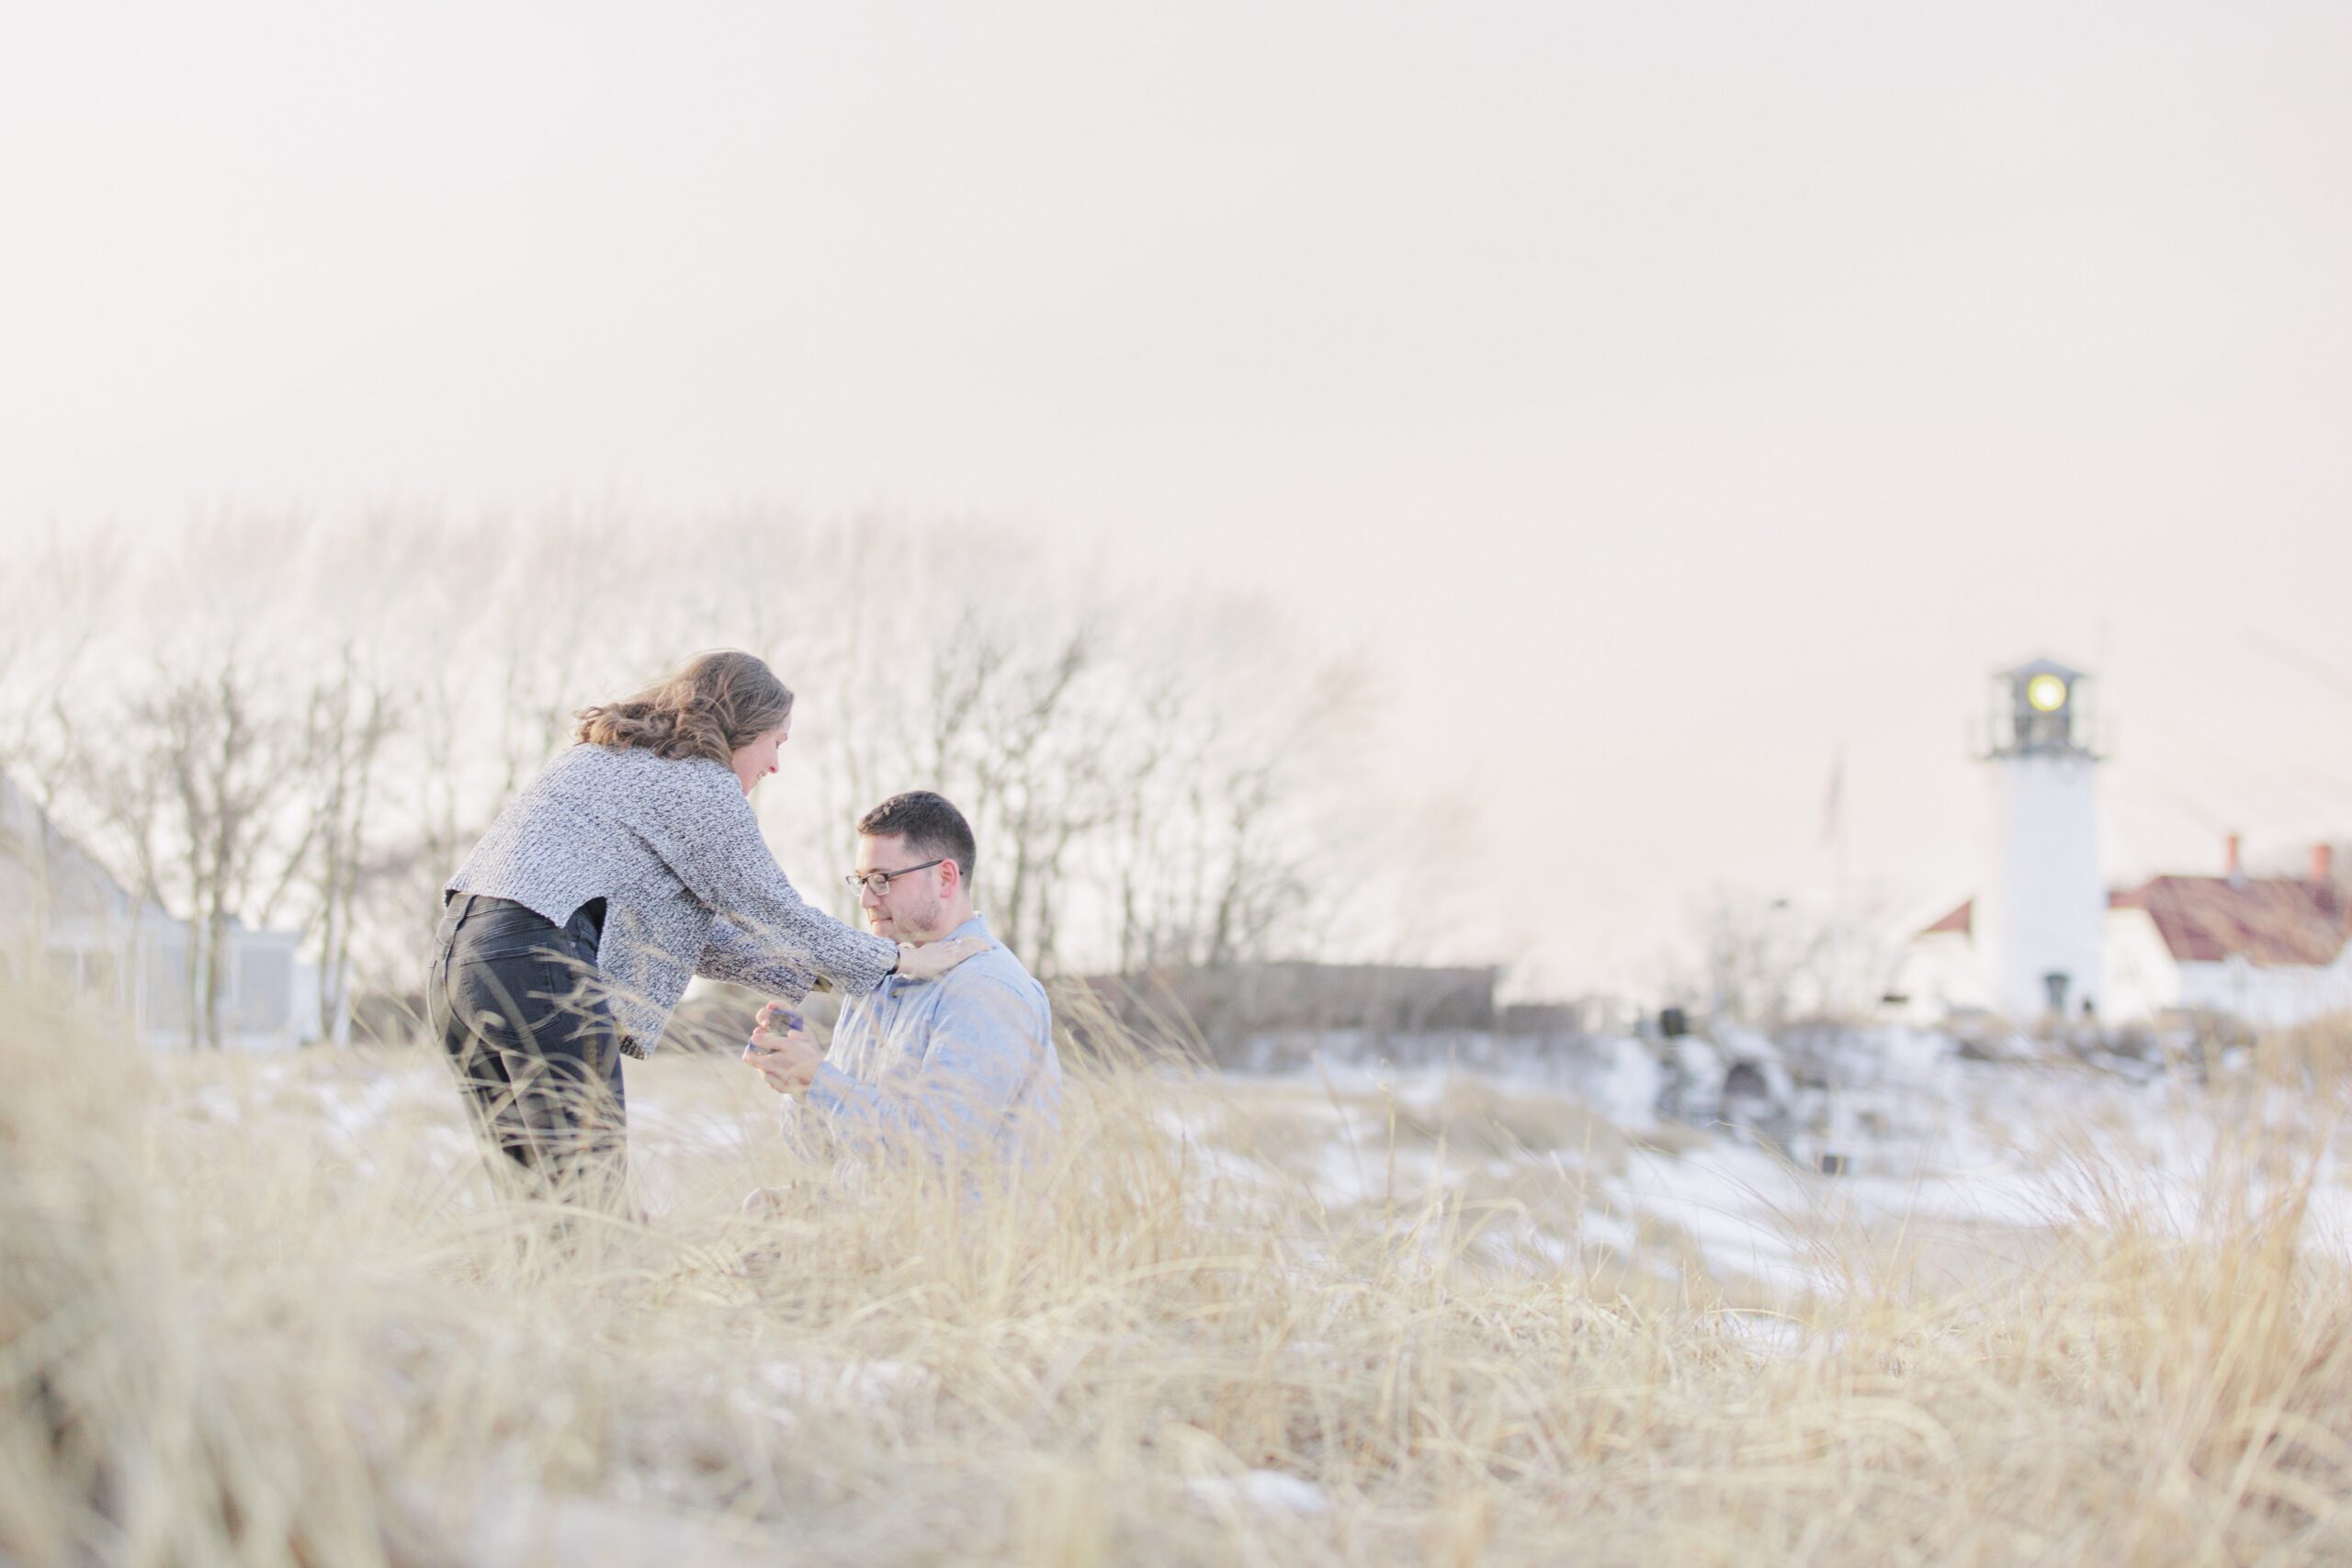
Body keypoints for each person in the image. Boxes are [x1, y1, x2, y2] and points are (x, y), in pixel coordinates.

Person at [428, 652, 982, 1205]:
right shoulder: (699, 785)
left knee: (536, 1206)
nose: (775, 766)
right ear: (744, 725)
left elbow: (691, 934)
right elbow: (776, 910)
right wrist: (899, 961)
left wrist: (810, 975)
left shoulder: (605, 761)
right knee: (590, 1209)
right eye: (778, 743)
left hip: (457, 973)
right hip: (537, 970)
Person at [745, 790, 1060, 1174]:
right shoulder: (877, 981)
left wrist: (818, 1079)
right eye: (861, 881)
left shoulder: (987, 989)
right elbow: (823, 1157)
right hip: (858, 1230)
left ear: (945, 877)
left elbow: (933, 1151)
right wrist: (799, 1086)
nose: (865, 900)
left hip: (949, 1235)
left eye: (881, 880)